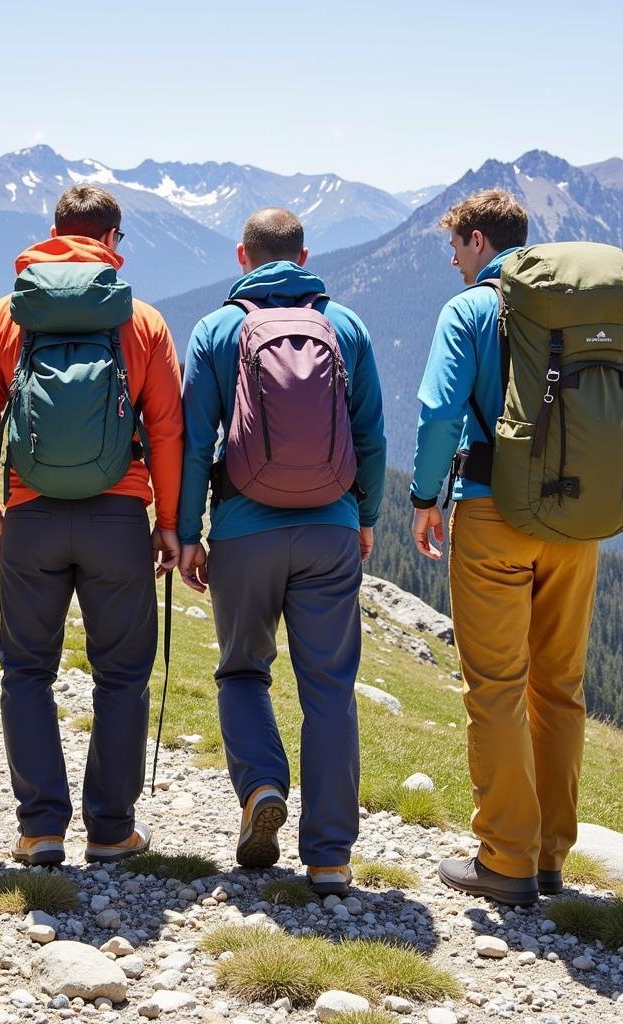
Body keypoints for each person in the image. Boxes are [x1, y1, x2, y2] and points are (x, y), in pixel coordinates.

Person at [410, 189, 623, 905]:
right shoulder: (584, 306)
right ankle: (552, 855)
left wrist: (424, 498)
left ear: (481, 243)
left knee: (496, 689)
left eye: (456, 247)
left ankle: (506, 861)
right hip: (577, 524)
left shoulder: (471, 309)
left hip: (494, 516)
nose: (453, 261)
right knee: (560, 689)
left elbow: (437, 410)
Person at [0, 185, 183, 866]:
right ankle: (111, 830)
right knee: (121, 676)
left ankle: (41, 829)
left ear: (52, 233)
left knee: (26, 672)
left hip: (31, 515)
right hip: (119, 518)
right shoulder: (139, 320)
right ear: (112, 242)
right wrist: (169, 522)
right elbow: (168, 429)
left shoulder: (7, 315)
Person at [177, 208, 386, 896]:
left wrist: (186, 533)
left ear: (243, 256)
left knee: (242, 673)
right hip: (329, 529)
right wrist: (364, 516)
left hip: (243, 531)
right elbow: (372, 436)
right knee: (329, 688)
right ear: (304, 256)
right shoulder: (345, 325)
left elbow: (193, 442)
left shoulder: (215, 328)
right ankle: (328, 857)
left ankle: (262, 786)